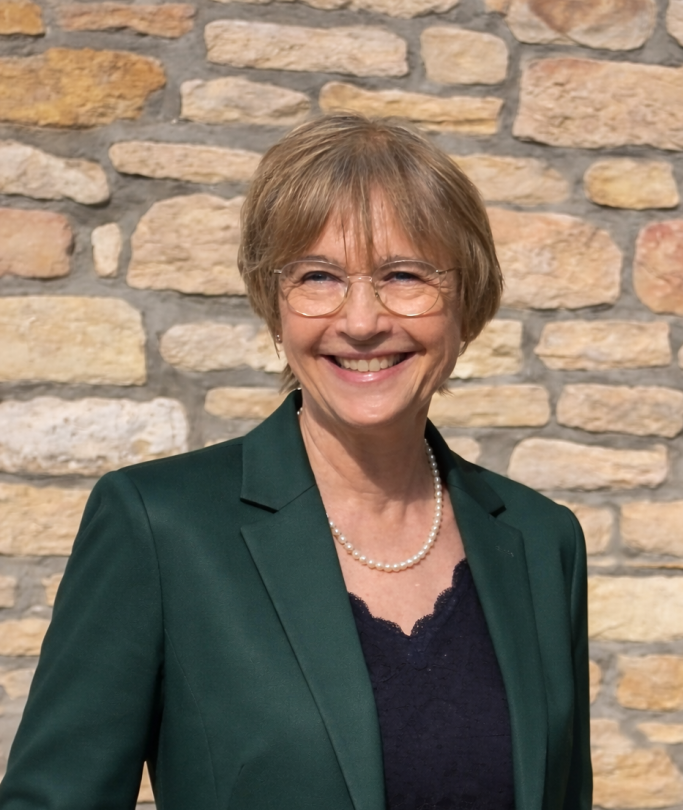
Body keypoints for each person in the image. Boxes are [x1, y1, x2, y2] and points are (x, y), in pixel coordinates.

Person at [0, 113, 591, 810]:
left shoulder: (542, 539)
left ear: (468, 301)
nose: (362, 321)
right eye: (318, 277)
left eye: (405, 275)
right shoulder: (160, 528)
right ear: (273, 305)